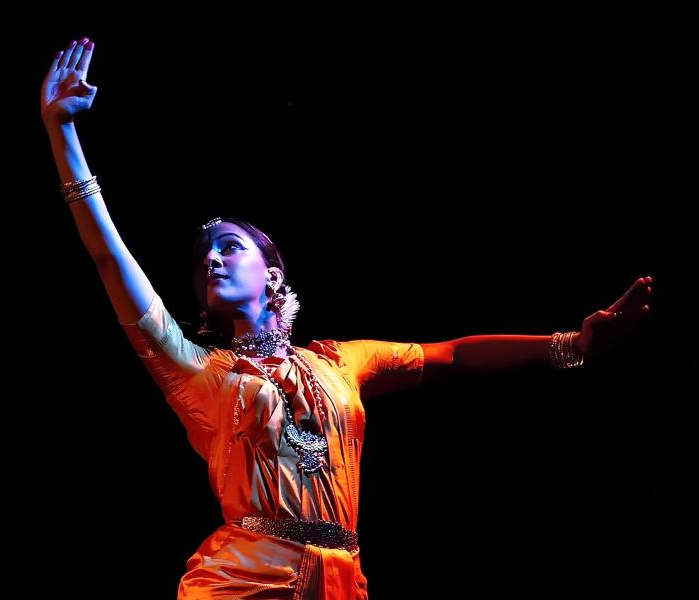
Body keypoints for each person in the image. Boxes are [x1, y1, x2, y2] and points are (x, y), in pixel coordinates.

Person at [40, 37, 654, 599]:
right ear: (199, 301)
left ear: (272, 273)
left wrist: (572, 344)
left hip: (342, 581)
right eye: (204, 255)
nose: (213, 257)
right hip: (242, 580)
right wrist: (62, 132)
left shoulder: (338, 361)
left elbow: (453, 354)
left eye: (231, 246)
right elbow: (107, 256)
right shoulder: (194, 370)